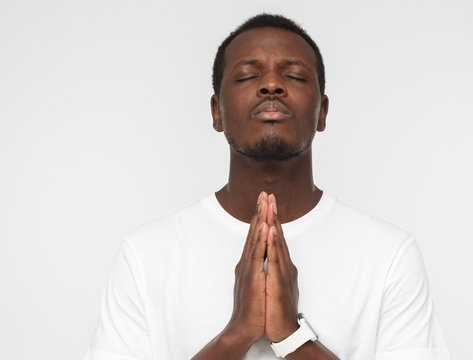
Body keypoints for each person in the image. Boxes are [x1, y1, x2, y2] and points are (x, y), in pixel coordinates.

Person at [83, 14, 450, 360]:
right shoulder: (146, 254)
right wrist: (238, 332)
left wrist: (291, 335)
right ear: (216, 112)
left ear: (322, 112)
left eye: (295, 76)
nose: (271, 85)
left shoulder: (389, 255)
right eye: (246, 77)